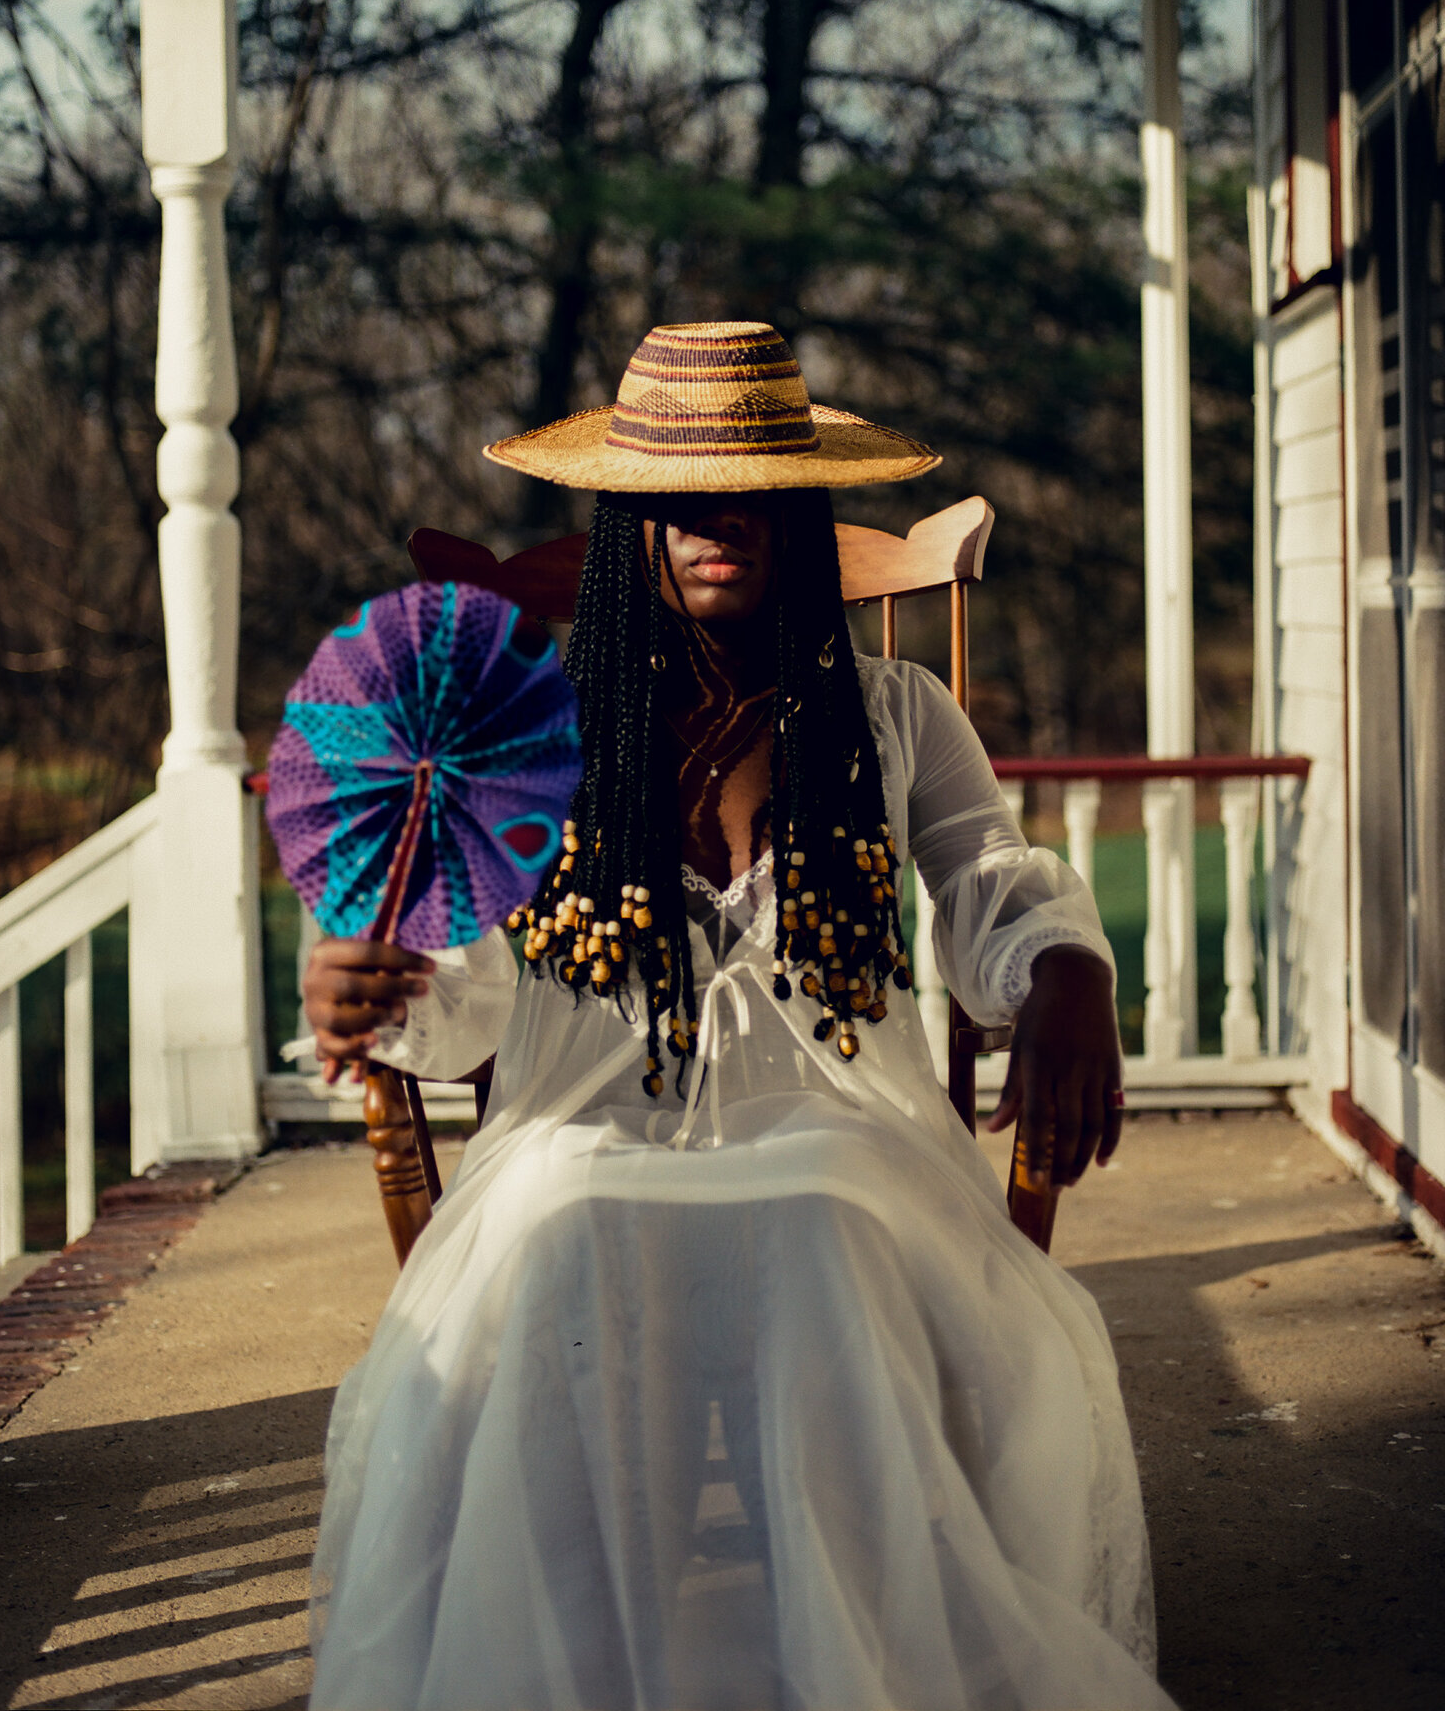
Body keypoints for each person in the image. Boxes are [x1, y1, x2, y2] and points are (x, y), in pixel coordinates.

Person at [302, 322, 1174, 1711]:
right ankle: (585, 1666)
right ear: (624, 525)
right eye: (678, 497)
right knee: (564, 1218)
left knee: (822, 1209)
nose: (719, 520)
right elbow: (458, 1002)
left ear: (804, 513)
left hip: (845, 1143)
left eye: (759, 490)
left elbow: (992, 884)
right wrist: (383, 972)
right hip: (587, 1138)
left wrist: (1067, 968)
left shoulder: (894, 715)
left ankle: (856, 1664)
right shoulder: (537, 737)